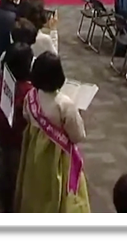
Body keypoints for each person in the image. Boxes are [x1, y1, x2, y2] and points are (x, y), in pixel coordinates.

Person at [13, 52, 90, 212]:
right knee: (57, 192)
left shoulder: (31, 96)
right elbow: (77, 135)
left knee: (35, 188)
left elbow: (26, 115)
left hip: (34, 150)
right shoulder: (65, 104)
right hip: (57, 156)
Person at [0, 43, 34, 213]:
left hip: (3, 138)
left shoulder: (3, 80)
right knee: (15, 182)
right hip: (18, 143)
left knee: (4, 179)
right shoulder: (28, 92)